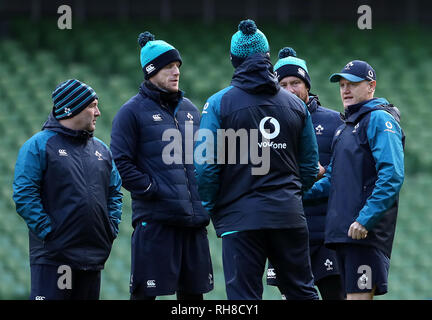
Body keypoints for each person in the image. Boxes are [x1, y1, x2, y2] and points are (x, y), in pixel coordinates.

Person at [195, 19, 319, 300]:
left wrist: (215, 207)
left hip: (240, 219)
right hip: (289, 216)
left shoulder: (218, 104)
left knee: (244, 299)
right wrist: (291, 195)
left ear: (233, 60)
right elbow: (310, 166)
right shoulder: (297, 105)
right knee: (302, 293)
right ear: (267, 57)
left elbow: (205, 166)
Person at [110, 31, 213, 300]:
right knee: (145, 294)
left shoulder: (190, 110)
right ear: (151, 71)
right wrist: (150, 188)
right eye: (168, 66)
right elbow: (120, 161)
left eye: (177, 66)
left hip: (193, 222)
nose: (176, 72)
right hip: (156, 223)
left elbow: (203, 159)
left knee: (193, 300)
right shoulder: (130, 112)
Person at [13, 79, 123, 300]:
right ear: (71, 109)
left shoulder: (102, 150)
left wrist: (109, 228)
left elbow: (115, 193)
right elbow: (24, 195)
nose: (98, 112)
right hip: (54, 259)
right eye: (92, 105)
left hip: (93, 258)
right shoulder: (38, 146)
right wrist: (50, 233)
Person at [304, 60, 405, 300]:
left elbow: (392, 175)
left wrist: (365, 219)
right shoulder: (345, 128)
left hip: (364, 235)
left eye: (353, 84)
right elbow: (331, 179)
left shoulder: (379, 119)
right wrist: (294, 195)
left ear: (371, 86)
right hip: (344, 235)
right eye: (342, 85)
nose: (345, 90)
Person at [266, 47, 344, 300]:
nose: (290, 89)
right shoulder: (267, 125)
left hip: (326, 234)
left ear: (307, 85)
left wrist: (293, 189)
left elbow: (341, 177)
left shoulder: (335, 122)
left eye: (296, 82)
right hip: (285, 232)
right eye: (283, 84)